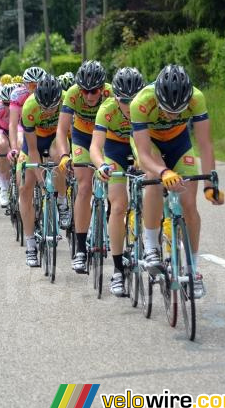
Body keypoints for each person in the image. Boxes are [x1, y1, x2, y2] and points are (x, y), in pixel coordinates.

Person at [130, 64, 225, 299]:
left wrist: (210, 185)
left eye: (178, 110)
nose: (172, 115)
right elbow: (142, 155)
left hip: (179, 142)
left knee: (189, 205)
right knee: (153, 177)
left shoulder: (197, 99)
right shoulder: (141, 102)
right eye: (167, 109)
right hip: (150, 143)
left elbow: (205, 144)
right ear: (158, 97)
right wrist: (163, 172)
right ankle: (151, 246)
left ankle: (192, 270)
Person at [89, 67, 144, 296]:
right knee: (119, 205)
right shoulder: (107, 109)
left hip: (140, 143)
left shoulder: (147, 106)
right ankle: (118, 270)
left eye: (134, 99)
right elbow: (95, 146)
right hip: (114, 150)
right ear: (115, 97)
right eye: (124, 100)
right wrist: (101, 164)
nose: (129, 106)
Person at [56, 60, 112, 274]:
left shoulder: (111, 93)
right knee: (85, 185)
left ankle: (110, 221)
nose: (89, 96)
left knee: (115, 182)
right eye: (85, 91)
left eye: (95, 90)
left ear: (103, 88)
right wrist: (63, 155)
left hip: (108, 136)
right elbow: (61, 130)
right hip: (81, 136)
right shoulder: (72, 94)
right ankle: (80, 250)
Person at [18, 74, 63, 268]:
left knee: (59, 158)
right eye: (45, 107)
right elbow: (33, 150)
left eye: (52, 107)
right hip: (34, 142)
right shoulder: (29, 107)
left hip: (55, 138)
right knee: (25, 189)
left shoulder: (65, 100)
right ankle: (30, 245)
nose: (49, 111)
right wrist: (40, 178)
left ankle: (62, 202)